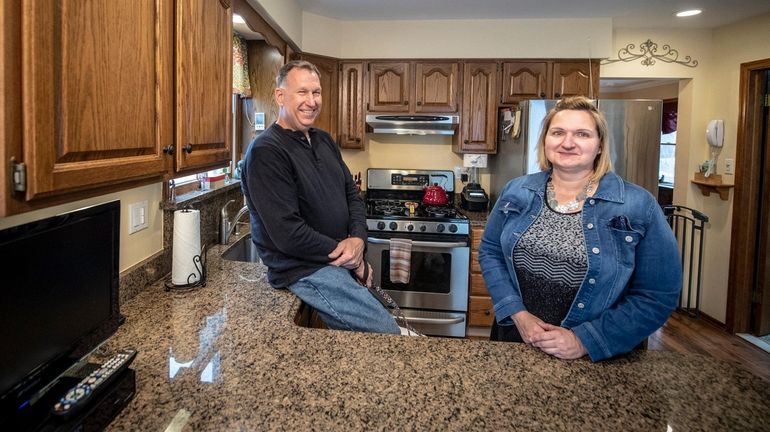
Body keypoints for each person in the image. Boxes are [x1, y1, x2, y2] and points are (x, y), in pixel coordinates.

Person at [478, 96, 682, 362]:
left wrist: (584, 340)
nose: (568, 142)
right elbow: (491, 251)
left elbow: (657, 296)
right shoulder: (518, 191)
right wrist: (518, 314)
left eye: (582, 134)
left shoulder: (637, 205)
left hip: (598, 356)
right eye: (558, 132)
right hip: (516, 338)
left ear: (599, 145)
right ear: (546, 141)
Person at [240, 60, 400, 335]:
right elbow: (288, 234)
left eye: (316, 92)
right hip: (305, 269)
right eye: (302, 92)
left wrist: (358, 240)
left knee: (385, 326)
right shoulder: (266, 151)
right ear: (280, 96)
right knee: (386, 334)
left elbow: (352, 194)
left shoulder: (323, 140)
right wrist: (354, 259)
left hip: (336, 260)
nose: (311, 101)